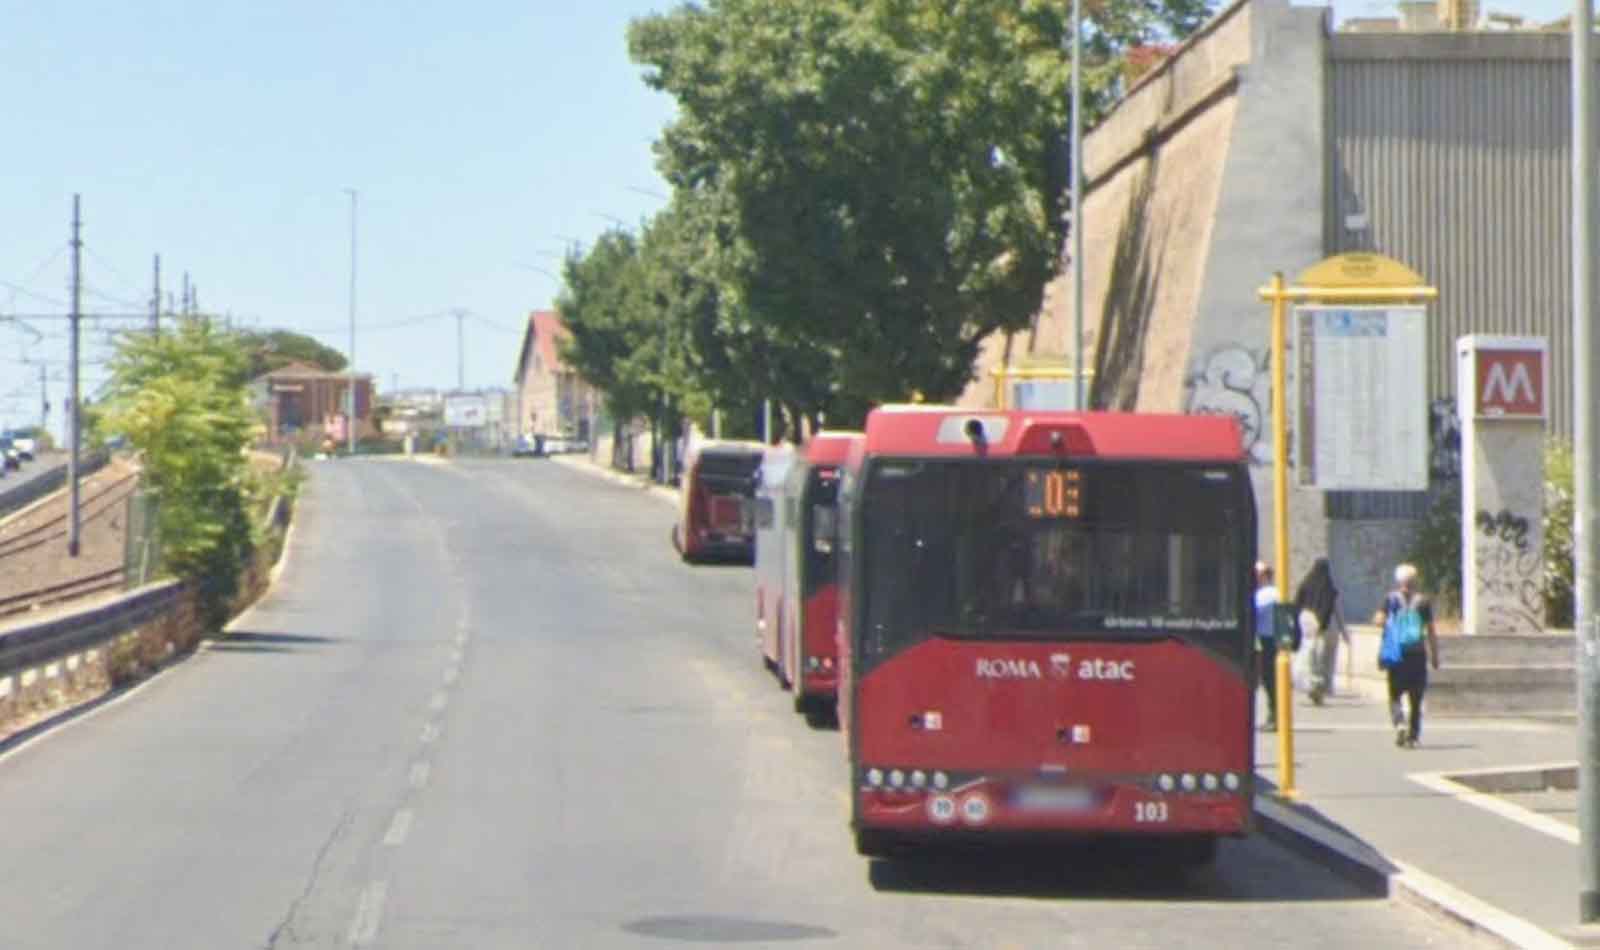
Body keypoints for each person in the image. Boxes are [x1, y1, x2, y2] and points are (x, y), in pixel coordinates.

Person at [1375, 563, 1441, 748]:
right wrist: (1434, 655)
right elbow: (1430, 631)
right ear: (1415, 580)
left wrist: (1388, 622)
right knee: (1416, 697)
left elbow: (1378, 621)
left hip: (1397, 654)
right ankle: (1413, 736)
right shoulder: (1423, 602)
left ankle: (1399, 723)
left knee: (1394, 694)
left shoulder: (1390, 599)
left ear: (1399, 580)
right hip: (1417, 654)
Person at [1294, 557, 1348, 705]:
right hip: (1329, 628)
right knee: (1327, 660)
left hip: (1309, 627)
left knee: (1311, 659)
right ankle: (1324, 687)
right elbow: (1337, 612)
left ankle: (1313, 685)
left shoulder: (1305, 584)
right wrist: (1345, 633)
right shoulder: (1330, 589)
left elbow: (1297, 605)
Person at [1254, 560, 1281, 731]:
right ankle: (1274, 715)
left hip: (1267, 641)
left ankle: (1275, 717)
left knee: (1269, 679)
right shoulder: (1273, 592)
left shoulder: (1266, 594)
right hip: (1269, 640)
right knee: (1269, 680)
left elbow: (1254, 611)